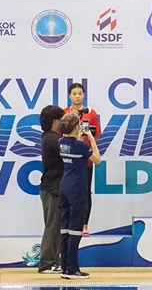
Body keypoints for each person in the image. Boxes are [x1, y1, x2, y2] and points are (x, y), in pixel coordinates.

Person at [58, 113, 101, 279]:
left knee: (64, 228)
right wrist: (90, 138)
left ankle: (64, 266)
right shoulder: (81, 146)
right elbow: (97, 160)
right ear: (76, 127)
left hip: (64, 186)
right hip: (77, 189)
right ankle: (72, 268)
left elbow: (70, 142)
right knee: (75, 229)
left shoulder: (60, 142)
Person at [63, 83, 102, 237]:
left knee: (85, 192)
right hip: (68, 159)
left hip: (86, 160)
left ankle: (84, 225)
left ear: (84, 95)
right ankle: (68, 224)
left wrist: (86, 147)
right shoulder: (64, 113)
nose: (77, 96)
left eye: (80, 93)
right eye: (74, 93)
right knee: (68, 192)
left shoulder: (91, 113)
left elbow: (96, 135)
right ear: (69, 96)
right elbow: (62, 136)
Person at [38, 105, 65, 274]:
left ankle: (54, 260)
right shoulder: (53, 139)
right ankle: (47, 262)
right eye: (62, 120)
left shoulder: (49, 137)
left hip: (53, 187)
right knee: (52, 225)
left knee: (56, 225)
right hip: (52, 188)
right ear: (56, 121)